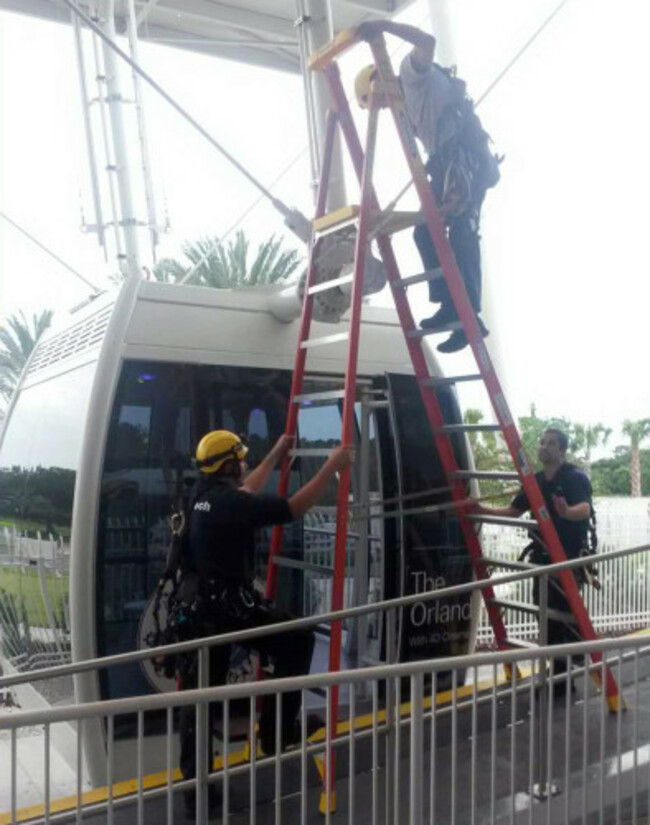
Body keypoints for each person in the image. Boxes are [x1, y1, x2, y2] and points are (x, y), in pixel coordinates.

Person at [178, 429, 352, 814]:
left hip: (204, 614)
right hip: (230, 612)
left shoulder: (204, 499)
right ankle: (277, 733)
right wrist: (331, 466)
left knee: (199, 702)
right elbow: (294, 508)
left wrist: (275, 455)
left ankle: (197, 796)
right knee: (298, 641)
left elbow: (245, 494)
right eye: (240, 458)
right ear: (228, 465)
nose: (244, 464)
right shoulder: (228, 504)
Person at [356, 20, 495, 353]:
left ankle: (470, 318)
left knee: (462, 234)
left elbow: (427, 41)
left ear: (380, 82)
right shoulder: (408, 108)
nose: (384, 108)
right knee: (424, 232)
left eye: (379, 102)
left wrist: (382, 26)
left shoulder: (410, 76)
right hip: (447, 165)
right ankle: (451, 305)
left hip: (464, 163)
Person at [473, 428, 593, 694]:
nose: (543, 446)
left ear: (562, 450)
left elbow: (584, 508)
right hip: (542, 560)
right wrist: (481, 511)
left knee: (563, 617)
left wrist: (566, 511)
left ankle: (563, 676)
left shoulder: (574, 477)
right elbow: (514, 510)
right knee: (546, 617)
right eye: (542, 441)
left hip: (567, 559)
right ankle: (559, 674)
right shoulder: (536, 481)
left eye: (550, 443)